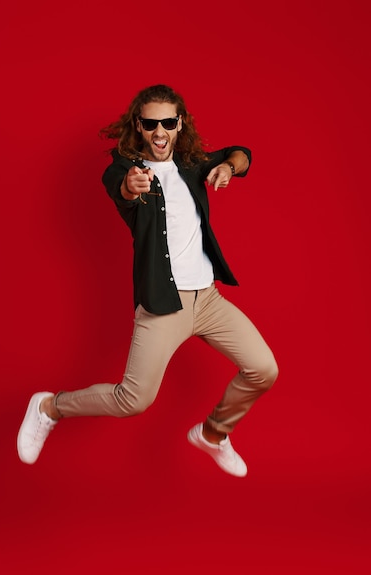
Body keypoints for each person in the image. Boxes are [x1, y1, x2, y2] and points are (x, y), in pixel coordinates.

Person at [17, 84, 278, 476]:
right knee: (132, 400)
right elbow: (120, 188)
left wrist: (228, 167)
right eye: (151, 123)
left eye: (168, 122)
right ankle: (49, 406)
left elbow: (242, 154)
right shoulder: (125, 170)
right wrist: (132, 187)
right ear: (139, 125)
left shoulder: (192, 164)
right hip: (163, 304)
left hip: (207, 301)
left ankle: (213, 433)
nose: (160, 132)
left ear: (179, 124)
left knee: (263, 368)